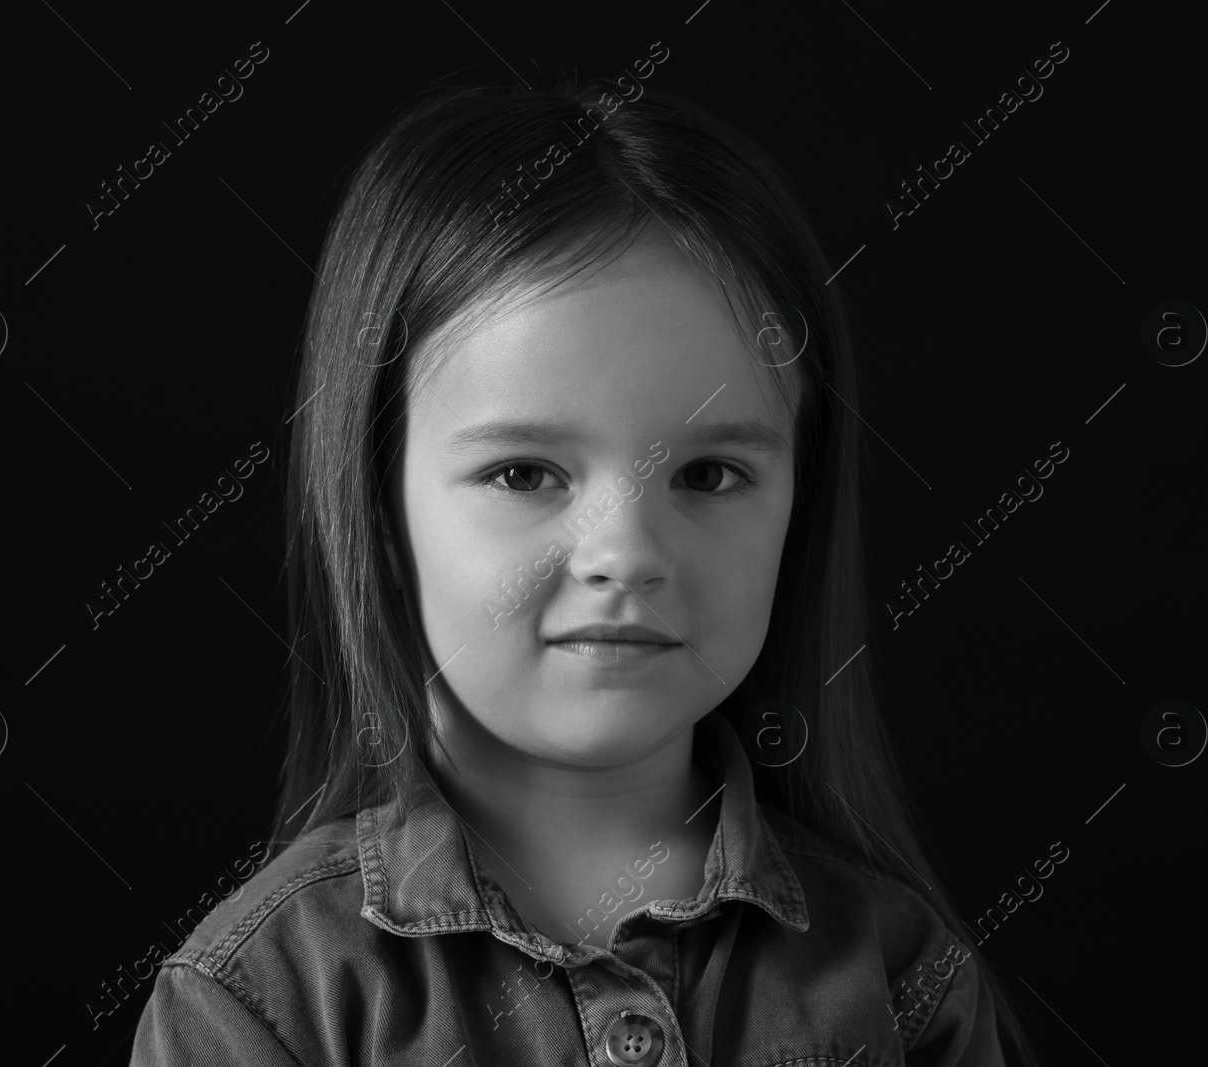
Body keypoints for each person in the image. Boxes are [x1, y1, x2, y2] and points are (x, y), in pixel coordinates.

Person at [130, 74, 1037, 1066]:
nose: (627, 553)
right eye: (523, 473)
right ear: (379, 510)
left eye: (708, 472)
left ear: (799, 506)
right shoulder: (266, 999)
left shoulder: (901, 976)